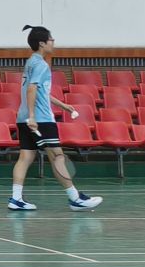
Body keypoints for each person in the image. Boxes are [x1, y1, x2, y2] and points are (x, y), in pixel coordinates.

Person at [8, 25, 104, 212]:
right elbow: (31, 89)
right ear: (42, 43)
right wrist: (33, 116)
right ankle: (75, 198)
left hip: (23, 118)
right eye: (51, 39)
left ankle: (16, 199)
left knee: (26, 157)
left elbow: (40, 91)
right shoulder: (41, 65)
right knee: (57, 157)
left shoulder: (31, 62)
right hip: (40, 119)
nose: (53, 42)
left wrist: (62, 105)